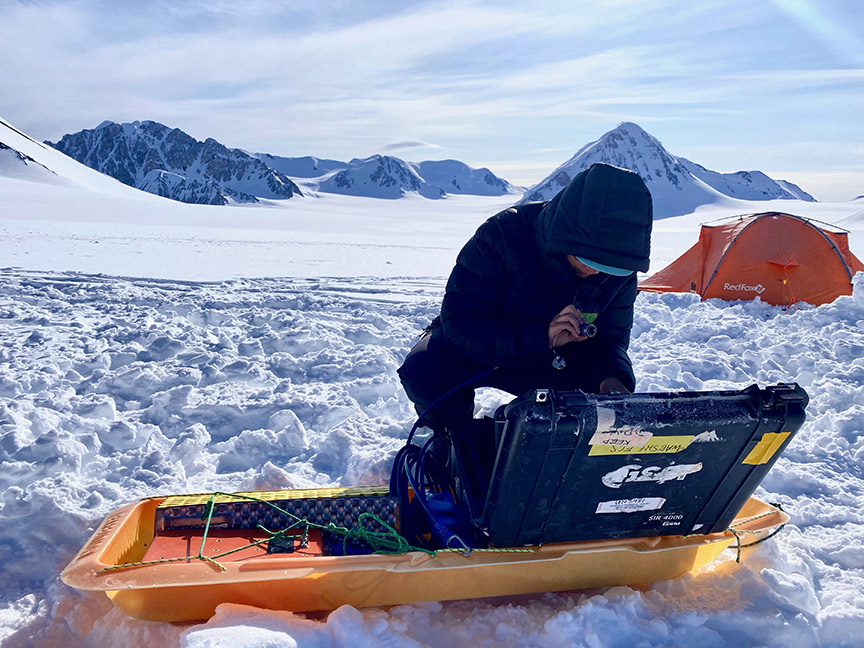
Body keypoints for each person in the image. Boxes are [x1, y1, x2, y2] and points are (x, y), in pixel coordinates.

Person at [398, 162, 653, 432]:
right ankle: (455, 436)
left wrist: (611, 377)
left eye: (611, 267)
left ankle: (559, 441)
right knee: (425, 371)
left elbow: (610, 339)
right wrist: (541, 337)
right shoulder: (501, 237)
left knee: (600, 398)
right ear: (564, 235)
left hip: (559, 359)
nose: (595, 271)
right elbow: (461, 322)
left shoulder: (619, 269)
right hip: (485, 350)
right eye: (587, 259)